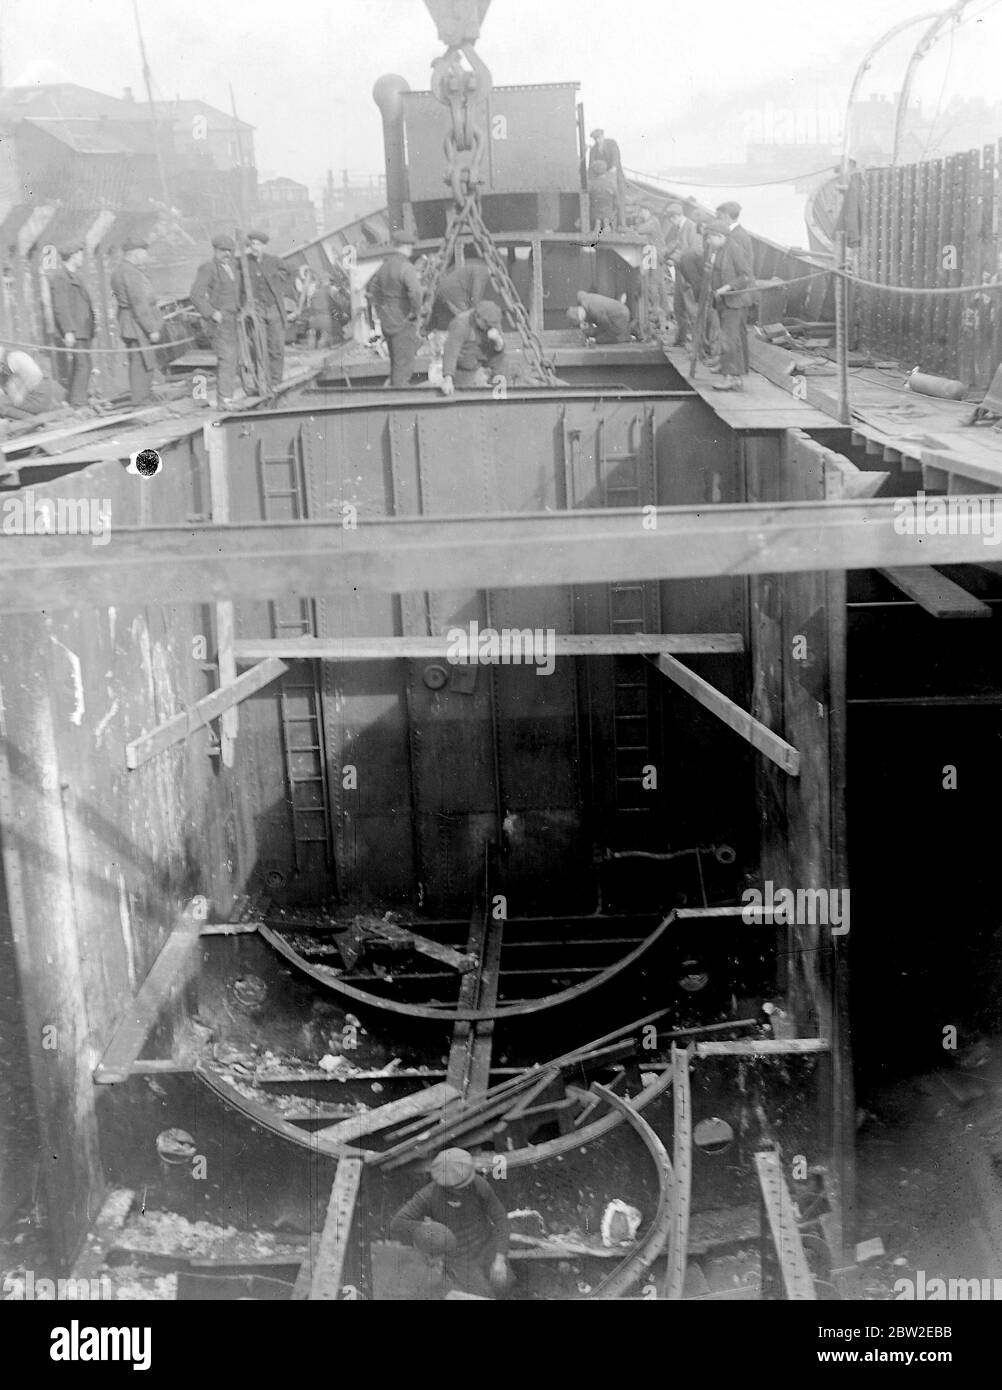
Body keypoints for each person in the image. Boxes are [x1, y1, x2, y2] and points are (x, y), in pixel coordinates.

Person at [389, 1147, 510, 1299]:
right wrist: (431, 1232)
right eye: (456, 1188)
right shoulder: (428, 1196)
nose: (463, 1188)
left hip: (487, 1247)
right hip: (459, 1259)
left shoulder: (479, 1186)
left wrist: (500, 1258)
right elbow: (398, 1223)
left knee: (506, 1285)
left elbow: (501, 1219)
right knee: (483, 1295)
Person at [366, 229, 423, 388]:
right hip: (404, 320)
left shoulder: (384, 266)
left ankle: (394, 393)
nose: (411, 249)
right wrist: (415, 313)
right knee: (404, 366)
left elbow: (373, 291)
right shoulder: (406, 266)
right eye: (410, 246)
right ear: (405, 247)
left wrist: (381, 311)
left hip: (387, 321)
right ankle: (400, 399)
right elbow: (416, 292)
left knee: (395, 363)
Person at [110, 236, 163, 406]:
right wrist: (151, 328)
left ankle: (142, 396)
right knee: (141, 360)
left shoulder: (121, 270)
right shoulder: (130, 272)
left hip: (129, 321)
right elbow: (139, 303)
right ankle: (141, 399)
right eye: (143, 253)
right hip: (135, 323)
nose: (145, 257)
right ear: (135, 253)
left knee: (139, 359)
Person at [190, 234, 241, 408]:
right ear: (215, 250)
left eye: (229, 250)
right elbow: (196, 295)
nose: (226, 254)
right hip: (220, 321)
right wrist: (211, 313)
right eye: (223, 250)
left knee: (235, 358)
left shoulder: (234, 267)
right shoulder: (208, 268)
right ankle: (225, 400)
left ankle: (229, 395)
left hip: (236, 319)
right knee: (227, 357)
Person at [704, 218, 755, 391]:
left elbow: (745, 276)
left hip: (735, 302)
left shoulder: (734, 249)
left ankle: (732, 377)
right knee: (729, 338)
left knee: (730, 340)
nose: (708, 241)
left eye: (710, 237)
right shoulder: (719, 249)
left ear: (719, 236)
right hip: (724, 302)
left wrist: (727, 287)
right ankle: (730, 373)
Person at [48, 242, 96, 406]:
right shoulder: (61, 277)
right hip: (76, 330)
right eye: (81, 254)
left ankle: (77, 399)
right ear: (74, 255)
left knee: (82, 364)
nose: (82, 258)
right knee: (83, 365)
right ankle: (78, 403)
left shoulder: (75, 276)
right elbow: (61, 306)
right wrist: (68, 331)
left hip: (83, 329)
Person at [244, 230, 291, 390]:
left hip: (274, 309)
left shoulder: (273, 261)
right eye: (252, 244)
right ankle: (263, 381)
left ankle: (276, 380)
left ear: (264, 246)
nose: (254, 247)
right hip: (256, 310)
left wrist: (280, 286)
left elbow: (291, 271)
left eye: (258, 244)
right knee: (259, 346)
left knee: (276, 347)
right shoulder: (244, 262)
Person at [440, 299, 506, 394]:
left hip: (485, 362)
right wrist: (448, 379)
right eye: (486, 324)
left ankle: (500, 394)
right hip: (464, 368)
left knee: (503, 362)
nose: (489, 327)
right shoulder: (461, 324)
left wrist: (498, 341)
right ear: (477, 317)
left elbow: (500, 351)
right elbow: (451, 351)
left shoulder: (492, 321)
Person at [664, 203, 701, 346]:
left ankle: (698, 344)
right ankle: (681, 338)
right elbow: (679, 246)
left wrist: (674, 259)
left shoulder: (691, 227)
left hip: (688, 274)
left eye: (671, 219)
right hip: (680, 272)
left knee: (691, 309)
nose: (671, 222)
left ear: (677, 216)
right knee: (678, 306)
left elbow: (692, 250)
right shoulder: (680, 228)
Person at [0, 345, 67, 418]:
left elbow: (35, 375)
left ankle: (35, 421)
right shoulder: (3, 367)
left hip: (39, 394)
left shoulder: (15, 358)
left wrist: (20, 393)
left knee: (2, 403)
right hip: (28, 396)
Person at [434, 250, 492, 329]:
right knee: (466, 315)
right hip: (453, 290)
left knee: (462, 314)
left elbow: (475, 292)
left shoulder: (479, 269)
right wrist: (476, 307)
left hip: (449, 290)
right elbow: (476, 291)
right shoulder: (483, 272)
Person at [588, 127, 625, 226]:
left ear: (603, 136)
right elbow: (591, 166)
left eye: (599, 138)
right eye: (595, 139)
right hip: (602, 180)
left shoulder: (612, 144)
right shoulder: (593, 149)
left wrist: (607, 177)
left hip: (615, 178)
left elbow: (615, 162)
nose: (597, 141)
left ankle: (622, 224)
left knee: (619, 199)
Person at [566, 289, 631, 344]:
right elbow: (580, 293)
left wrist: (595, 337)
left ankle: (625, 336)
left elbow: (606, 326)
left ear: (581, 318)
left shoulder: (596, 312)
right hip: (616, 308)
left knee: (602, 338)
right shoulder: (583, 299)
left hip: (620, 317)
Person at [588, 160, 618, 234]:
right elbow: (615, 194)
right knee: (609, 206)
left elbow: (588, 193)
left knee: (593, 205)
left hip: (595, 208)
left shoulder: (592, 183)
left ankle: (597, 224)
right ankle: (606, 223)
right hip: (608, 208)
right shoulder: (610, 183)